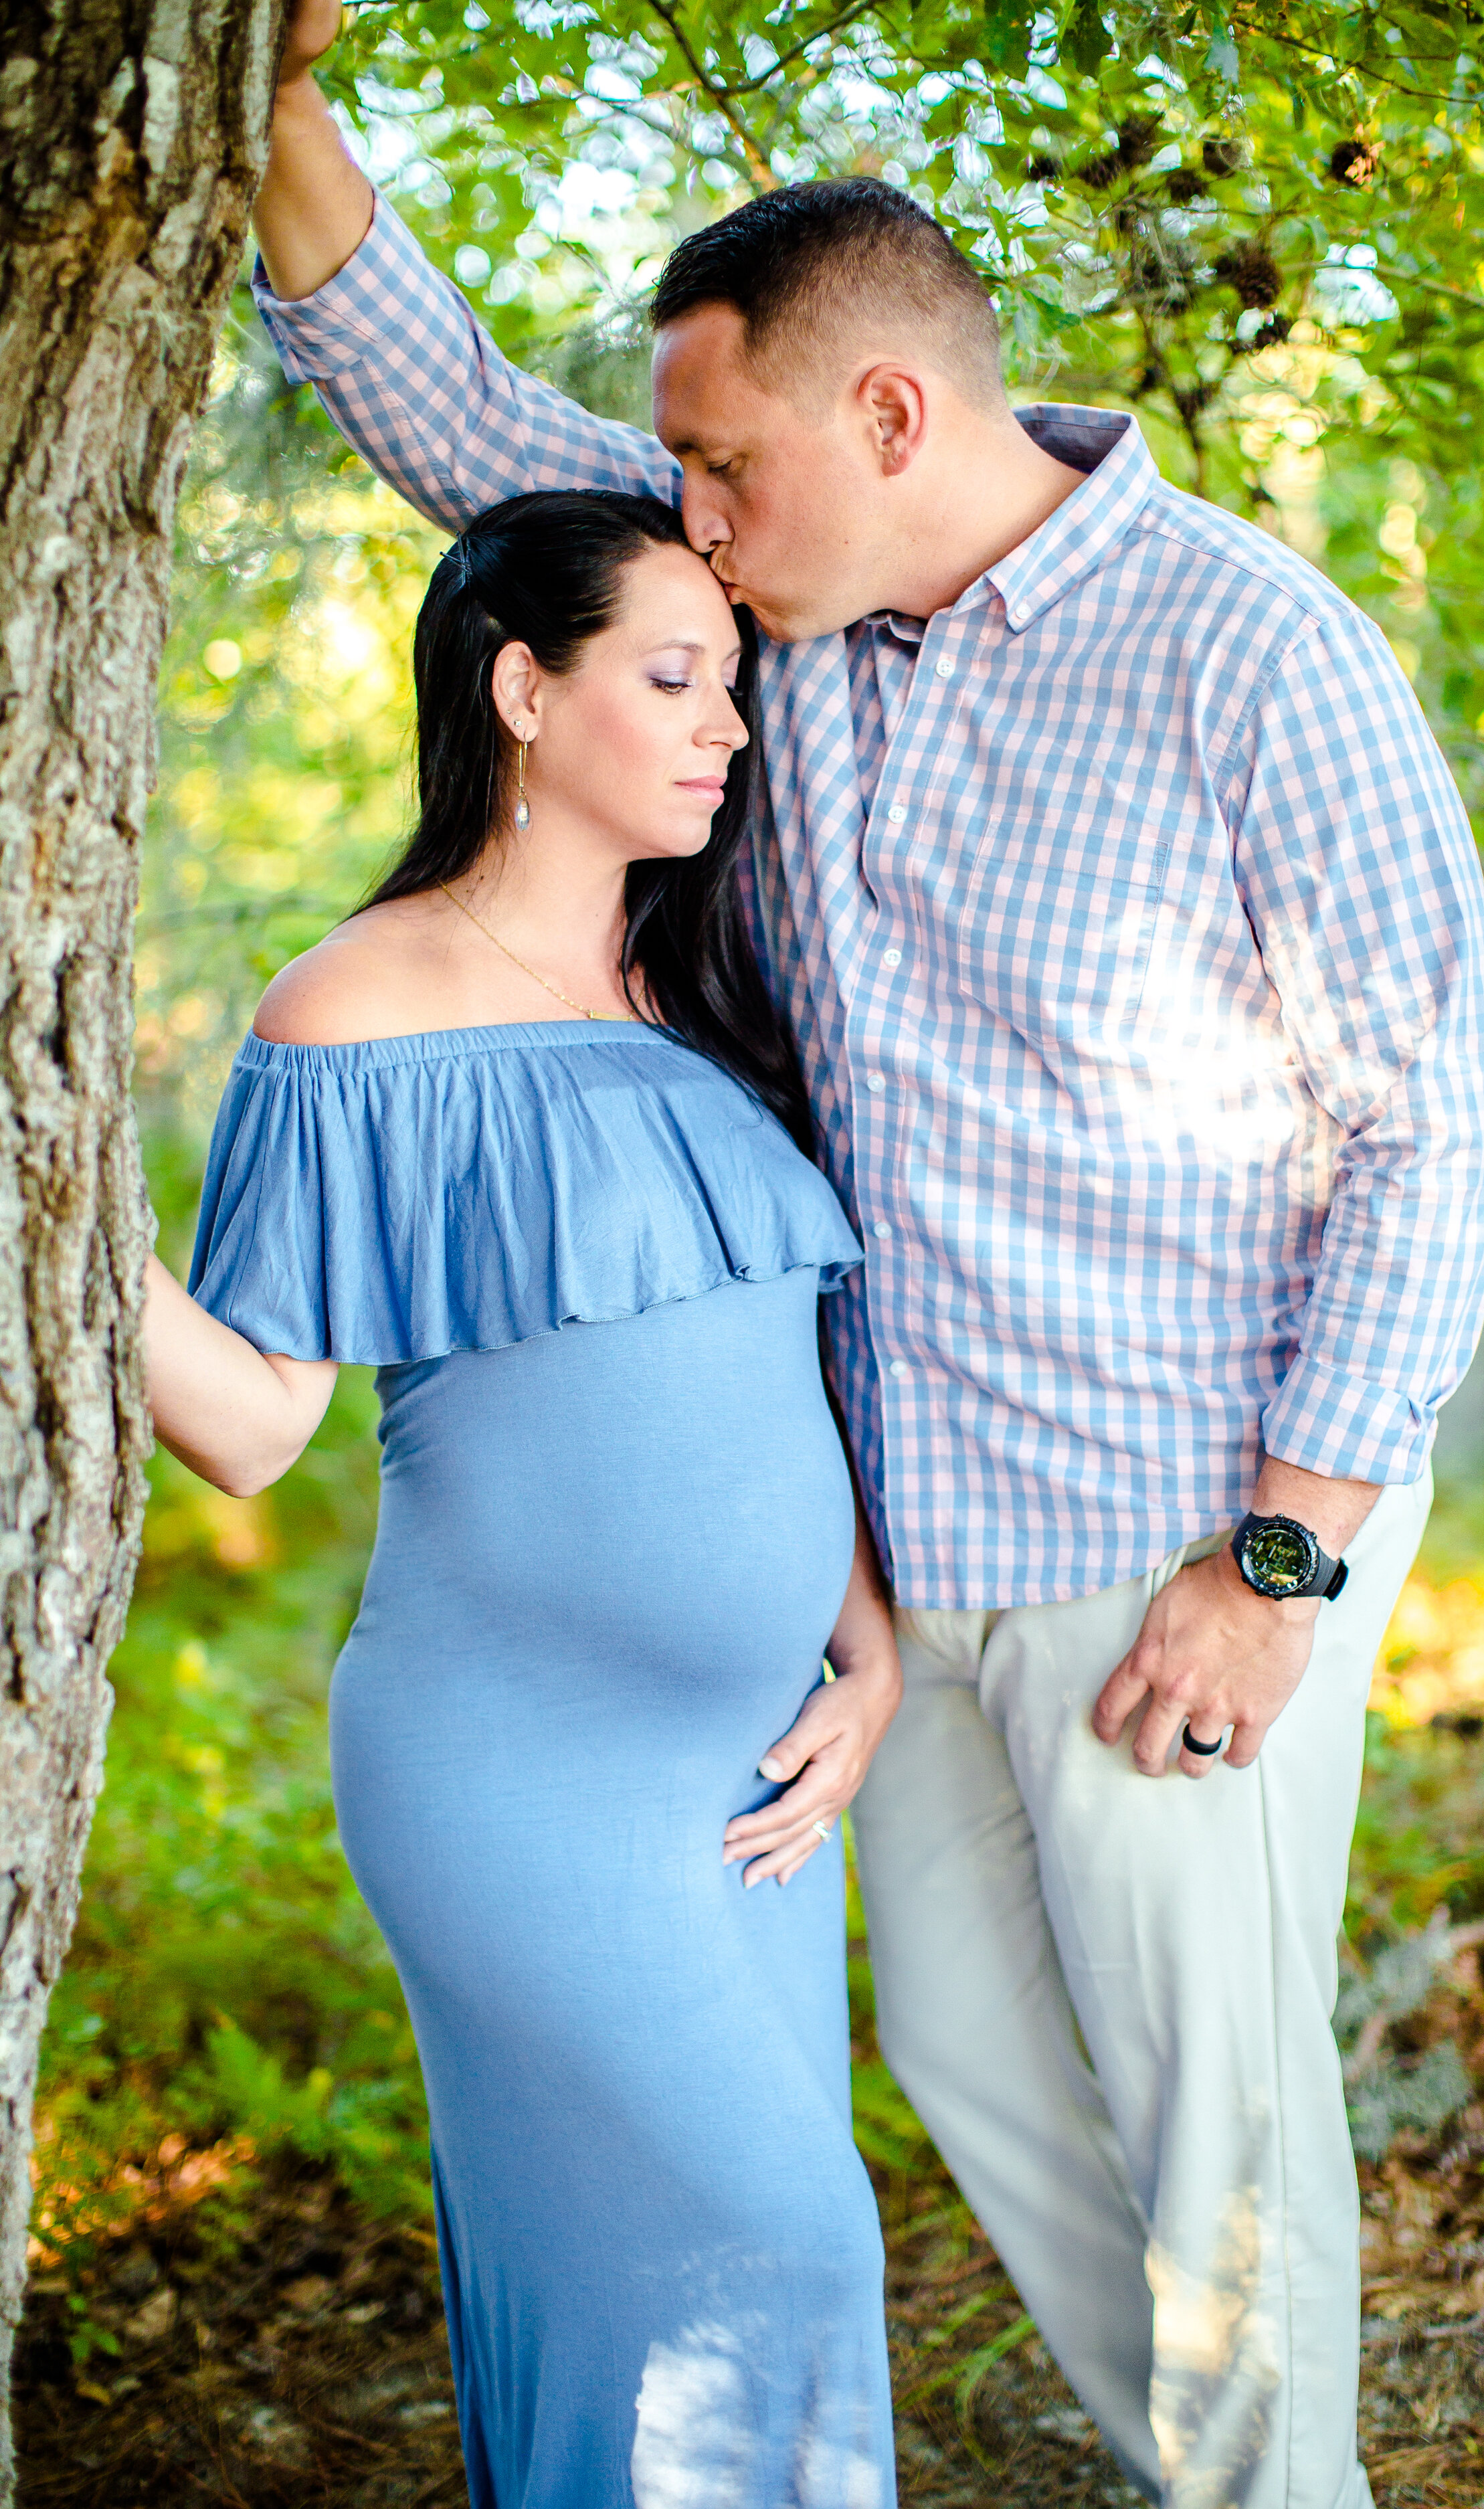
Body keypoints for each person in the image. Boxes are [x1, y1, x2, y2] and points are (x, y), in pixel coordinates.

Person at [250, 12, 1484, 2502]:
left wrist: (1278, 1563)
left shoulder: (1257, 659)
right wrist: (280, 118)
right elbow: (471, 438)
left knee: (1218, 2150)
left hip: (1180, 1543)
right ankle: (1210, 2480)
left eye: (718, 464)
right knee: (967, 2072)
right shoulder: (772, 629)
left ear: (891, 426)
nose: (687, 519)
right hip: (906, 1573)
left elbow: (1429, 1137)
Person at [144, 488, 904, 2509]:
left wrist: (875, 1659)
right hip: (519, 1778)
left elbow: (778, 1379)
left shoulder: (704, 1003)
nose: (724, 726)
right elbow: (242, 1422)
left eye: (729, 685)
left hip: (754, 1788)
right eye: (671, 677)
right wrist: (55, 1219)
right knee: (784, 2246)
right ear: (518, 688)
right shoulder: (351, 1011)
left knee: (663, 2295)